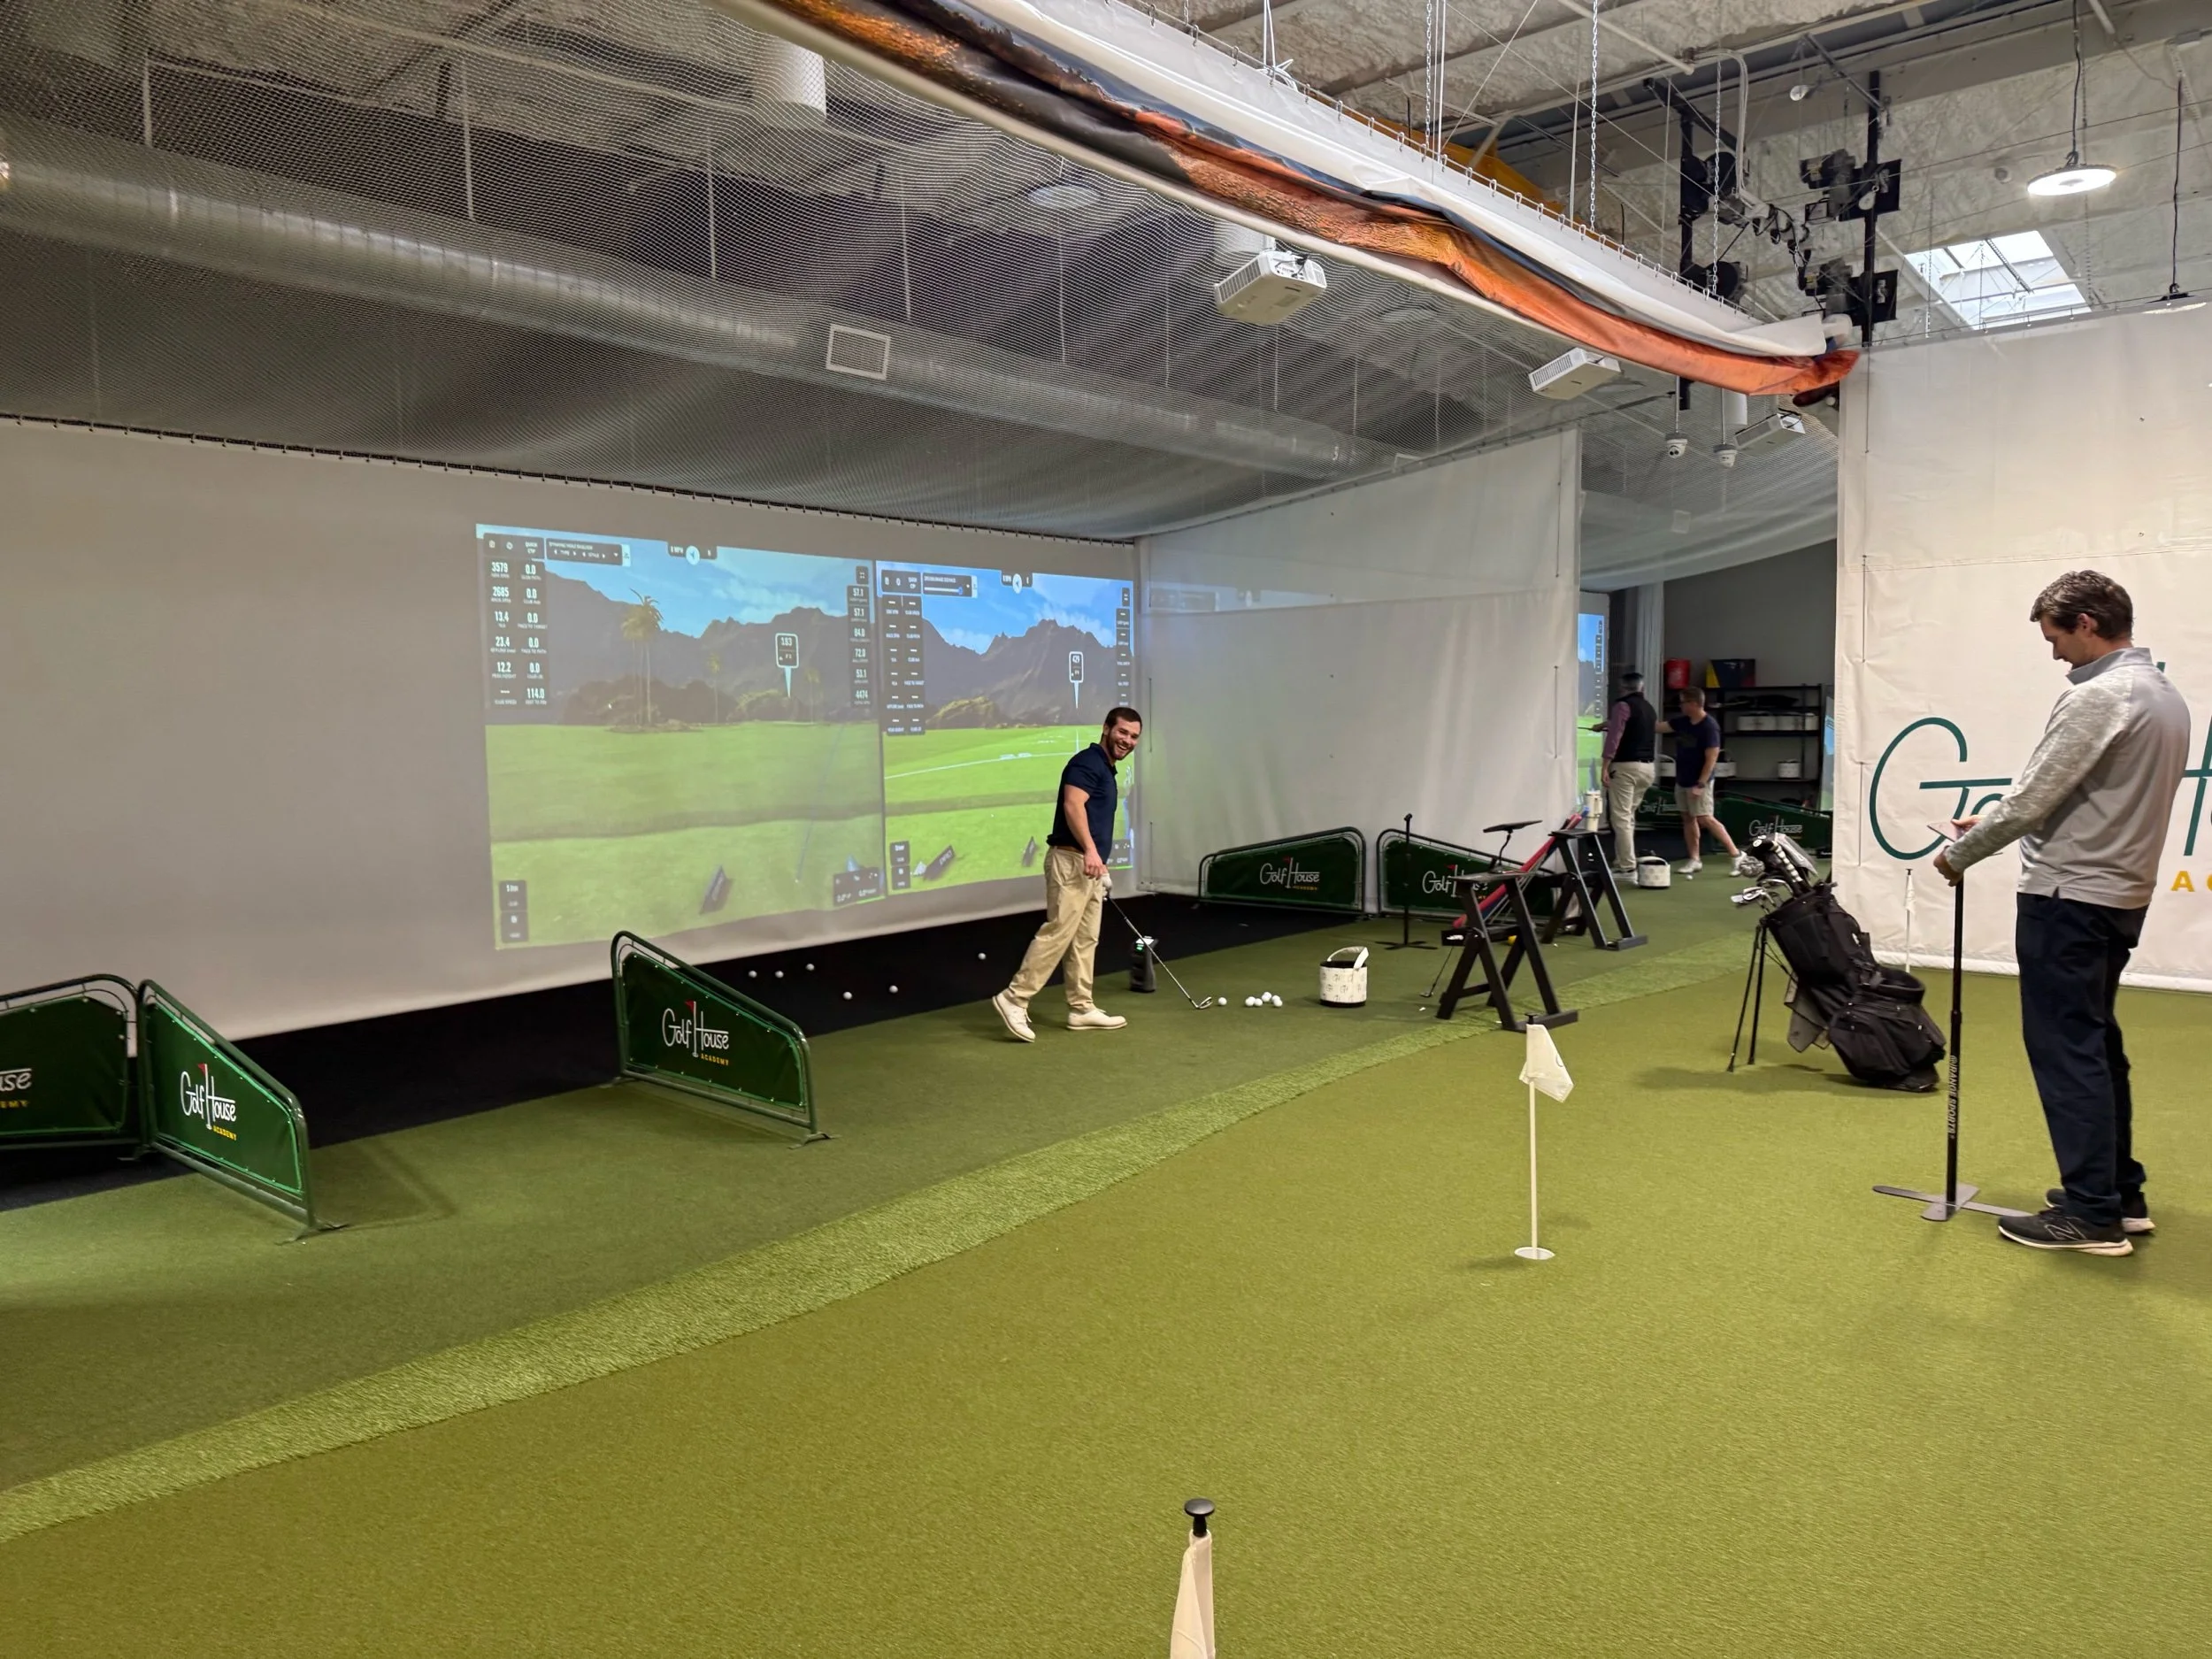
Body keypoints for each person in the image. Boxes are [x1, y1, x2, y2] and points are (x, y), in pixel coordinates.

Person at [1934, 571, 2189, 1256]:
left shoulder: (2099, 696)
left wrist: (1961, 854)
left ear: (2086, 623)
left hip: (2068, 899)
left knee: (2068, 1051)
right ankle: (2117, 1194)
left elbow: (2032, 800)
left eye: (2056, 638)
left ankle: (2091, 1214)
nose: (2054, 654)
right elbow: (2085, 795)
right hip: (2117, 895)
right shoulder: (2163, 694)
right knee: (2095, 1043)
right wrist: (1993, 819)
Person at [992, 707, 1142, 1041]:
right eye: (1123, 732)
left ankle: (1081, 1007)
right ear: (1106, 728)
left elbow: (1093, 818)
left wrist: (1100, 863)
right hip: (1071, 861)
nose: (1128, 741)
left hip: (1088, 866)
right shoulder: (1087, 762)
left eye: (1134, 736)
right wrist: (1090, 851)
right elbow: (1073, 805)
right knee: (1058, 932)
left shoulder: (1106, 768)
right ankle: (1014, 998)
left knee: (1085, 938)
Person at [1666, 687, 1741, 875]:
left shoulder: (1709, 727)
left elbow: (1711, 759)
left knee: (1705, 818)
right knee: (1688, 818)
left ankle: (1737, 855)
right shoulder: (1682, 722)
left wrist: (1700, 784)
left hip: (1700, 782)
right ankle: (1695, 859)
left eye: (1683, 702)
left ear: (1693, 704)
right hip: (1682, 779)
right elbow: (1659, 727)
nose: (1680, 706)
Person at [1598, 668, 1658, 872]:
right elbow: (1631, 726)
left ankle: (1626, 865)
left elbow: (1615, 737)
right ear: (1642, 687)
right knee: (1628, 817)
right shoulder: (1649, 708)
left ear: (1622, 687)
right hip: (1647, 769)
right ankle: (1622, 862)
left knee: (1621, 818)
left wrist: (1605, 766)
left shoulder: (1622, 705)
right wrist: (1605, 724)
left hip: (1625, 768)